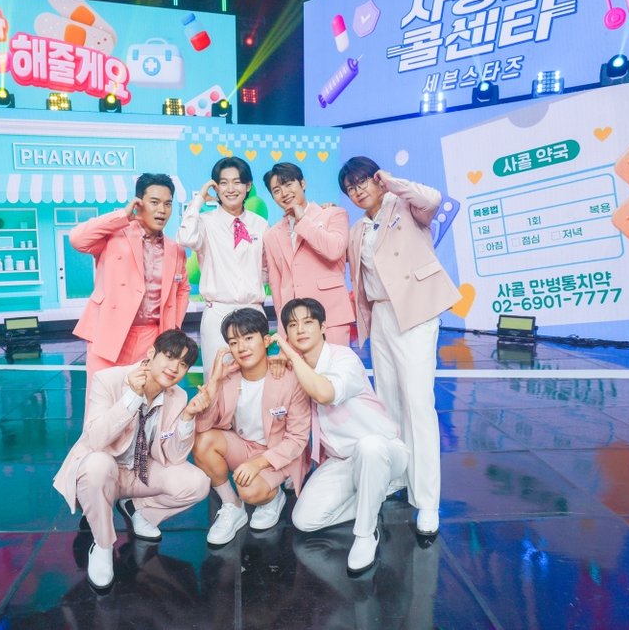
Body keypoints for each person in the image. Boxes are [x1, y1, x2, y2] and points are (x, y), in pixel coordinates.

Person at [340, 156, 461, 540]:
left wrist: (394, 182)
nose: (358, 191)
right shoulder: (358, 229)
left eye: (363, 181)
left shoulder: (405, 205)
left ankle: (427, 500)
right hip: (381, 316)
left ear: (378, 179)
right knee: (389, 402)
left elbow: (434, 200)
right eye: (350, 187)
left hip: (416, 311)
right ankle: (397, 477)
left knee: (418, 403)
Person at [52, 329, 211, 589]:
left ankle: (139, 511)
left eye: (183, 364)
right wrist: (132, 397)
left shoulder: (178, 396)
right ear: (151, 354)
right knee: (97, 464)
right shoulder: (108, 380)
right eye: (170, 357)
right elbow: (96, 440)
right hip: (103, 473)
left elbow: (174, 457)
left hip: (139, 472)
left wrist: (187, 418)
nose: (174, 368)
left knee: (198, 483)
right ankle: (102, 546)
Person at [272, 298, 410, 573]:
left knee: (369, 447)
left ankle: (366, 534)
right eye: (293, 325)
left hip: (384, 449)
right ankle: (374, 493)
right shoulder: (296, 367)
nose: (300, 330)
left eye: (308, 322)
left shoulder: (343, 358)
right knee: (304, 520)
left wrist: (290, 355)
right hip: (341, 460)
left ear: (323, 327)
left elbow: (325, 393)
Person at [191, 307, 311, 545]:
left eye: (248, 338)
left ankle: (273, 498)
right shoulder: (227, 377)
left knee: (249, 491)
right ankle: (231, 505)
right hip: (244, 446)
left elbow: (298, 438)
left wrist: (258, 463)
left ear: (265, 341)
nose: (242, 347)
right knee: (202, 441)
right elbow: (203, 427)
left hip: (277, 453)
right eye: (234, 342)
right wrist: (213, 383)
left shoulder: (289, 378)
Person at [69, 173, 190, 381]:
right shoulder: (114, 236)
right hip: (109, 332)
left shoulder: (175, 250)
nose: (162, 210)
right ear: (138, 203)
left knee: (143, 397)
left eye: (168, 204)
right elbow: (77, 239)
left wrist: (173, 327)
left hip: (153, 338)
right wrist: (122, 216)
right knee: (102, 397)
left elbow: (183, 289)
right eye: (154, 202)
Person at [177, 157, 268, 363]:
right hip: (218, 312)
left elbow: (266, 267)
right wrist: (199, 200)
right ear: (216, 188)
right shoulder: (205, 222)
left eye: (237, 182)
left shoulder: (260, 224)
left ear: (248, 186)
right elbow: (186, 238)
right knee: (218, 374)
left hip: (253, 311)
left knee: (255, 375)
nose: (231, 189)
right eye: (224, 183)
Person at [263, 163, 353, 345]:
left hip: (331, 315)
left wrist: (302, 219)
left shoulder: (333, 214)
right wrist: (282, 327)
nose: (284, 193)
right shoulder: (272, 234)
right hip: (294, 323)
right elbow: (276, 283)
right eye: (277, 190)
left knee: (334, 363)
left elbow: (334, 250)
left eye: (288, 184)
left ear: (302, 183)